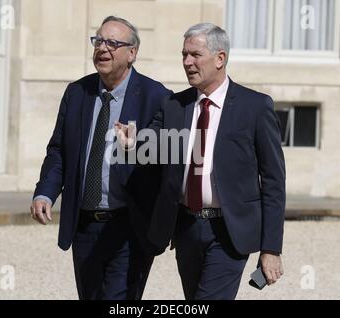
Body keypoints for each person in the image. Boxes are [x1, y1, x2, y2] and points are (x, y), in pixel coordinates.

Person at [117, 23, 286, 300]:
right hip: (185, 228)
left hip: (229, 232)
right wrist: (133, 144)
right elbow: (154, 148)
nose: (187, 62)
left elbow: (274, 182)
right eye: (184, 55)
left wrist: (271, 248)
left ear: (220, 58)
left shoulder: (255, 107)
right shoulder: (174, 105)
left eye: (195, 55)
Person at [30, 16, 171, 300]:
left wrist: (137, 146)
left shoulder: (155, 96)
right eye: (98, 41)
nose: (102, 48)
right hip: (84, 224)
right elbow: (59, 150)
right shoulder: (77, 92)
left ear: (132, 53)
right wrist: (45, 193)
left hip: (130, 225)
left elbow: (165, 159)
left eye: (112, 43)